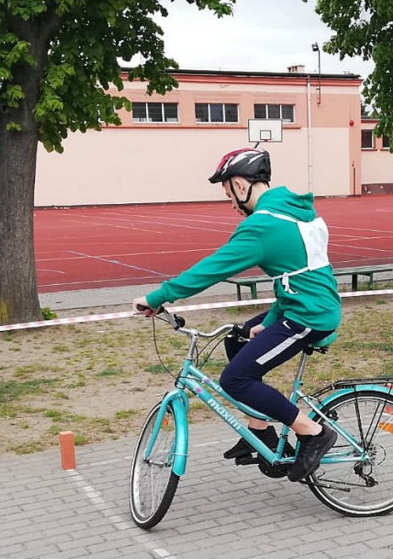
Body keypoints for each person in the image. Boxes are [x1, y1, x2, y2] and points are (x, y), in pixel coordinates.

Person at [133, 148, 342, 482]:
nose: (231, 203)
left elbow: (212, 269)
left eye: (229, 193)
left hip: (309, 316)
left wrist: (159, 297)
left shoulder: (264, 224)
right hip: (303, 304)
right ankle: (261, 431)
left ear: (242, 184)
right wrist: (270, 320)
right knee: (237, 337)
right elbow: (297, 276)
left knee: (235, 379)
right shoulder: (293, 212)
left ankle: (312, 433)